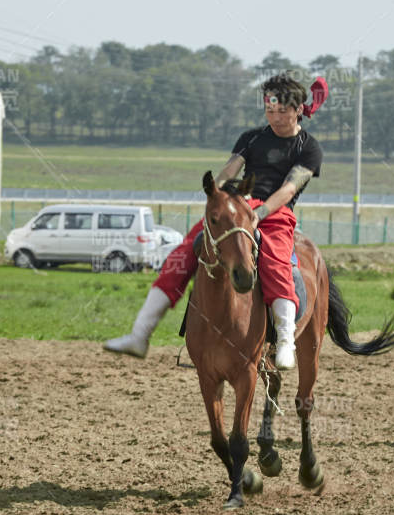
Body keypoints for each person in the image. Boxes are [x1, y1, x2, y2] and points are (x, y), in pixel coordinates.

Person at [104, 72, 326, 369]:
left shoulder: (308, 147)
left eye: (282, 111)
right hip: (236, 206)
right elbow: (227, 172)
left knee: (276, 262)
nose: (275, 117)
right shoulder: (251, 137)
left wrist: (257, 215)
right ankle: (139, 334)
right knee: (182, 254)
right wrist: (217, 197)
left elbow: (289, 188)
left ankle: (285, 341)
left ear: (299, 109)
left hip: (275, 214)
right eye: (269, 110)